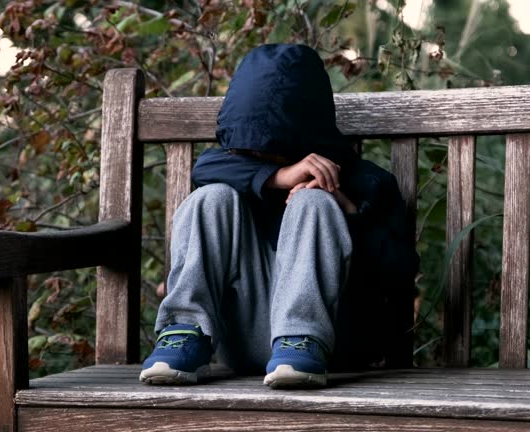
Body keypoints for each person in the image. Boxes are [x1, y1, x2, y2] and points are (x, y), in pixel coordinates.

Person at [139, 44, 418, 389]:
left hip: (329, 346)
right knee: (210, 198)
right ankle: (183, 332)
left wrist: (348, 213)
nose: (255, 155)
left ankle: (300, 336)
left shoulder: (369, 184)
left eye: (267, 149)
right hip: (242, 342)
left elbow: (400, 274)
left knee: (313, 203)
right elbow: (205, 167)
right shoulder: (227, 171)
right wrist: (279, 176)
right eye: (248, 148)